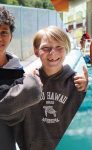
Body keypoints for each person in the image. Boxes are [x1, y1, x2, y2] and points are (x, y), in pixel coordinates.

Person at [12, 26, 88, 150]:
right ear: (36, 51)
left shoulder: (77, 84)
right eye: (46, 48)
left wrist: (88, 91)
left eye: (59, 47)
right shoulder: (27, 81)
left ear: (66, 48)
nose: (53, 52)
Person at [0, 6, 43, 150]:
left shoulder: (15, 68)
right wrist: (30, 82)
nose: (0, 38)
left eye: (4, 32)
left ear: (11, 36)